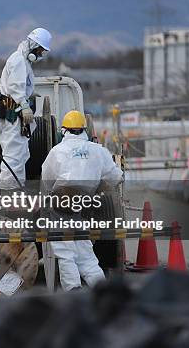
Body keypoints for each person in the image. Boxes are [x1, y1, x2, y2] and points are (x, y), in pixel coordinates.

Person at [41, 110, 123, 291]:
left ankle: (73, 290)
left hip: (61, 203)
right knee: (84, 249)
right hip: (83, 202)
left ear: (64, 131)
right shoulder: (98, 150)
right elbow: (116, 177)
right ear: (85, 130)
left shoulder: (57, 151)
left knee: (64, 250)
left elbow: (47, 180)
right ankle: (101, 288)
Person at [0, 28, 52, 191]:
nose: (41, 54)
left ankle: (16, 190)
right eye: (40, 50)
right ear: (33, 46)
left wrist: (28, 94)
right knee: (13, 157)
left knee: (20, 155)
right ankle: (8, 193)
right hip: (12, 113)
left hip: (13, 114)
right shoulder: (18, 60)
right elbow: (15, 88)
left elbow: (18, 86)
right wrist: (24, 105)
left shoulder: (23, 61)